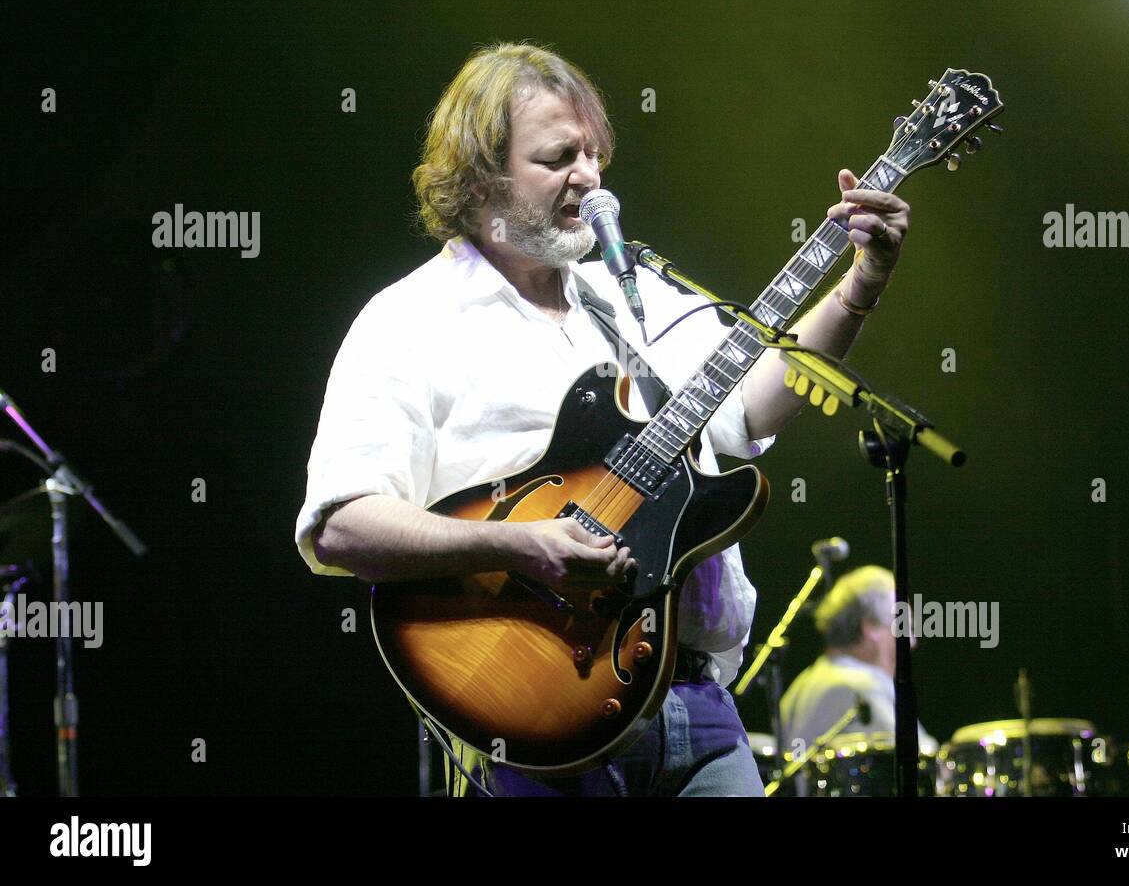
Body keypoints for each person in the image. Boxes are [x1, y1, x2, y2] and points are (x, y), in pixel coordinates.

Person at [294, 42, 911, 796]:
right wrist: (518, 546)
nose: (588, 178)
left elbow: (755, 397)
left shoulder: (630, 295)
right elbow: (342, 524)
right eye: (558, 158)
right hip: (537, 716)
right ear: (481, 176)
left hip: (700, 709)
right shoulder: (408, 321)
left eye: (594, 155)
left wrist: (859, 286)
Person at [780, 565, 936, 753]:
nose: (912, 642)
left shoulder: (803, 683)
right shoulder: (860, 685)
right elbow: (923, 762)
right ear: (870, 626)